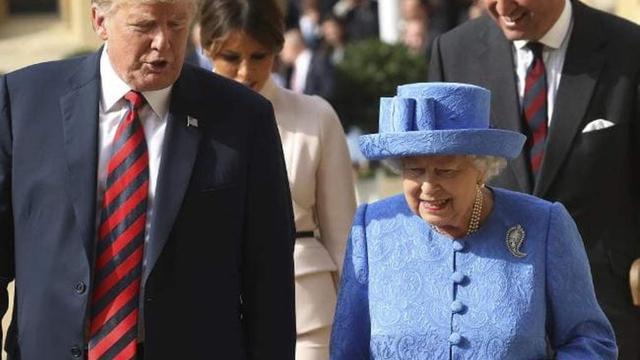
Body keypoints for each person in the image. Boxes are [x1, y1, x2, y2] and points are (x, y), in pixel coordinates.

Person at [0, 0, 297, 358]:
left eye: (177, 25)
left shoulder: (242, 119)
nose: (163, 43)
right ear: (100, 21)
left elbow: (270, 280)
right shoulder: (23, 103)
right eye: (144, 27)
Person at [330, 82, 617, 359]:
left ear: (482, 169)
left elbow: (590, 340)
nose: (428, 187)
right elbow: (347, 349)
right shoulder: (373, 227)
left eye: (446, 172)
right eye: (415, 170)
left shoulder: (543, 224)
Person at [428, 0, 640, 357]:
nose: (501, 7)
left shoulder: (629, 49)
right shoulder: (453, 52)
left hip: (608, 298)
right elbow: (435, 172)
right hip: (490, 306)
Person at [199, 1, 356, 359]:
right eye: (230, 56)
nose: (244, 71)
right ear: (206, 47)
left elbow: (343, 239)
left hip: (308, 317)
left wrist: (358, 321)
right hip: (204, 311)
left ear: (277, 50)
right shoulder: (179, 119)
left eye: (259, 56)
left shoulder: (316, 116)